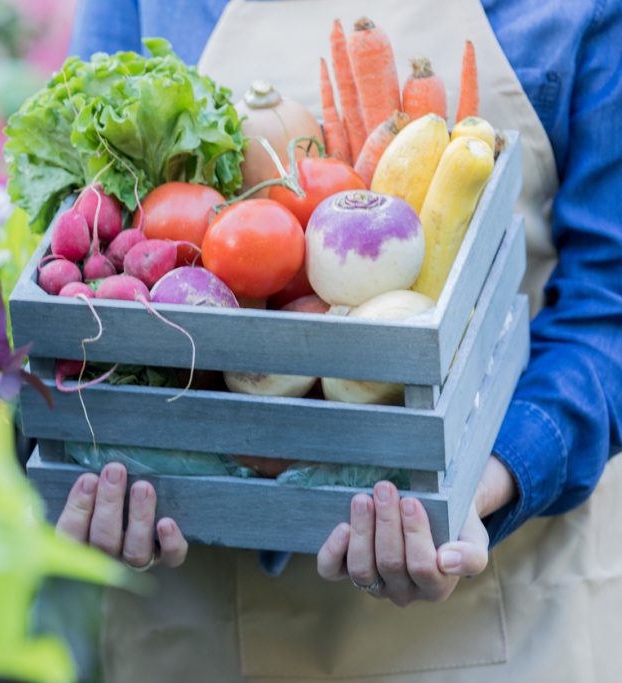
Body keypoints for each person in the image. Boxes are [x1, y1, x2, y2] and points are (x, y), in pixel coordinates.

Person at [55, 0, 622, 680]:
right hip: (198, 607)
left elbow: (608, 307)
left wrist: (484, 482)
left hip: (486, 606)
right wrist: (97, 454)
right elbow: (89, 197)